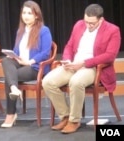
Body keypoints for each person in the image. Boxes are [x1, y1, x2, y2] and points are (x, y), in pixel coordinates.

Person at [42, 3, 121, 134]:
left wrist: (84, 63)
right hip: (73, 64)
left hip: (93, 67)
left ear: (101, 19)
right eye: (86, 22)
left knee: (76, 81)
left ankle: (74, 120)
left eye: (92, 23)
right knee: (47, 81)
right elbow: (69, 45)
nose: (88, 25)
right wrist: (67, 59)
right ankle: (65, 116)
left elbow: (109, 56)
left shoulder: (113, 30)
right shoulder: (79, 25)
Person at [0, 0, 52, 128]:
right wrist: (12, 55)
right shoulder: (20, 30)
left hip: (35, 66)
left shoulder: (44, 30)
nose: (26, 16)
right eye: (24, 12)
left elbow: (46, 53)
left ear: (36, 15)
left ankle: (11, 114)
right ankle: (14, 89)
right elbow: (17, 50)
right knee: (6, 61)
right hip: (20, 62)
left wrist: (29, 62)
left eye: (29, 13)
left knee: (10, 77)